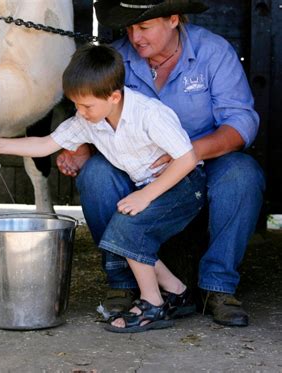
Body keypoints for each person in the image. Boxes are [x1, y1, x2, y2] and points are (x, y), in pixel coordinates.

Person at [56, 0, 265, 327]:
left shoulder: (213, 52)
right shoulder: (117, 57)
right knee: (96, 174)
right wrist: (79, 149)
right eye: (129, 27)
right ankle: (122, 283)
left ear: (173, 19)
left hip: (203, 162)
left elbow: (241, 123)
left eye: (143, 27)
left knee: (243, 174)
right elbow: (90, 115)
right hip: (139, 169)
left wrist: (191, 151)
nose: (134, 36)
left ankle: (217, 287)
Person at [0, 43, 207, 333]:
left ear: (114, 96)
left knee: (128, 227)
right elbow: (46, 144)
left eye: (86, 105)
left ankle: (153, 303)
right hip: (151, 185)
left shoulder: (149, 114)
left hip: (184, 185)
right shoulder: (90, 120)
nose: (80, 112)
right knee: (121, 228)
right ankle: (177, 291)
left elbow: (187, 158)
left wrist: (145, 195)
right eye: (76, 104)